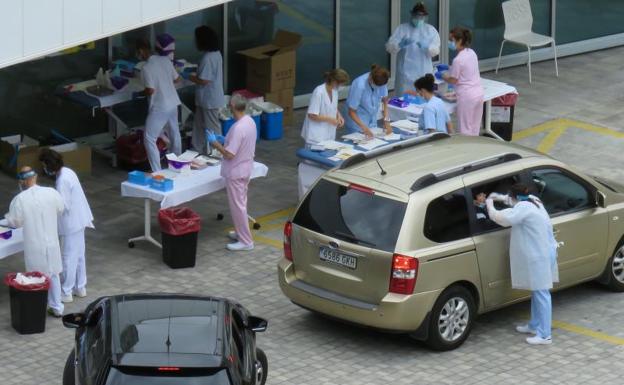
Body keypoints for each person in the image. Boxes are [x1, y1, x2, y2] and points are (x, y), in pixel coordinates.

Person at [486, 183, 559, 345]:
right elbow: (511, 200)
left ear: (517, 198)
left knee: (541, 294)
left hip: (540, 256)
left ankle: (545, 335)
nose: (509, 200)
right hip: (546, 251)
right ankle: (534, 325)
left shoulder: (524, 209)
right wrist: (496, 196)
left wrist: (489, 205)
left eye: (510, 197)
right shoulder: (533, 200)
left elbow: (502, 218)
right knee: (538, 292)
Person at [4, 167, 65, 317]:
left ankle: (37, 307)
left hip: (34, 243)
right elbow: (60, 209)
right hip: (51, 242)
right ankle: (57, 306)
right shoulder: (51, 193)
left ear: (22, 181)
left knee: (36, 276)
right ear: (36, 177)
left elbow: (15, 222)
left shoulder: (20, 200)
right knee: (54, 273)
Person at [39, 149, 94, 304]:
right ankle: (80, 287)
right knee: (79, 255)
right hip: (80, 219)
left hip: (71, 223)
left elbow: (64, 206)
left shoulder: (62, 180)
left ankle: (66, 291)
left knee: (68, 257)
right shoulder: (68, 172)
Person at [207, 94, 257, 251]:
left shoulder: (238, 128)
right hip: (245, 168)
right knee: (241, 203)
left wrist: (215, 144)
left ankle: (246, 241)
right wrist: (225, 140)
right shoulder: (249, 121)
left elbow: (229, 154)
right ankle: (240, 233)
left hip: (236, 171)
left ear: (233, 108)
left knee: (238, 206)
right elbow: (240, 143)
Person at [136, 36, 182, 172]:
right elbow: (178, 79)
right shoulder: (165, 60)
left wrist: (140, 93)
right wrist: (165, 82)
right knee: (174, 132)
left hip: (160, 106)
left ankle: (157, 171)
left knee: (149, 138)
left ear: (141, 51)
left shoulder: (146, 68)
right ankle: (177, 165)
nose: (138, 56)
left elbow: (150, 90)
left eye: (137, 53)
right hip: (173, 102)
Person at [386, 2, 440, 96]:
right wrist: (400, 44)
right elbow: (390, 48)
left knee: (422, 100)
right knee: (403, 101)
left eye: (421, 17)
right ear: (412, 15)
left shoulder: (430, 30)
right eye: (417, 16)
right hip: (405, 74)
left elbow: (435, 51)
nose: (419, 19)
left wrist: (427, 47)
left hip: (423, 72)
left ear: (425, 17)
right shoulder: (402, 29)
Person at [190, 26, 225, 155]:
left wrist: (190, 77)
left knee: (212, 128)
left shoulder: (208, 58)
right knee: (198, 125)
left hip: (210, 100)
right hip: (205, 99)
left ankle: (218, 152)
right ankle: (196, 149)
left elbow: (204, 80)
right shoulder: (216, 54)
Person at [442, 27, 484, 136]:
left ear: (459, 40)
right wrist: (450, 68)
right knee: (475, 127)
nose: (449, 42)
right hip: (478, 93)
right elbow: (467, 70)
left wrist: (443, 76)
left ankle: (467, 151)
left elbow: (453, 80)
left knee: (465, 129)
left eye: (451, 40)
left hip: (467, 96)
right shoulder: (471, 53)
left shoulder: (458, 60)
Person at [301, 69, 350, 148]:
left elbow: (332, 106)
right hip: (316, 135)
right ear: (334, 81)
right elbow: (312, 115)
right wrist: (331, 119)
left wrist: (339, 115)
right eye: (341, 84)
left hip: (328, 133)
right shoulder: (319, 92)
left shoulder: (334, 91)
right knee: (314, 159)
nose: (342, 87)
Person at [345, 64, 392, 138]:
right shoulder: (359, 85)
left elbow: (385, 101)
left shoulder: (382, 81)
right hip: (357, 123)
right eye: (376, 86)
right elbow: (351, 111)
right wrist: (364, 127)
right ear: (370, 78)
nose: (378, 88)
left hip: (372, 120)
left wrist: (387, 121)